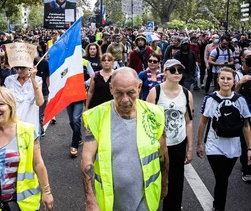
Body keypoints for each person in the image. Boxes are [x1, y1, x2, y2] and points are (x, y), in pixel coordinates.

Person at [82, 67, 168, 211]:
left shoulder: (154, 114)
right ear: (111, 89)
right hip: (110, 202)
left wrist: (165, 183)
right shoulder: (96, 116)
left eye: (131, 93)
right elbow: (86, 158)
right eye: (119, 93)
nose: (125, 99)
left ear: (139, 87)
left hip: (146, 200)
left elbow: (163, 154)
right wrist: (90, 199)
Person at [197, 67, 251, 211]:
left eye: (229, 78)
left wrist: (250, 148)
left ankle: (217, 204)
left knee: (223, 178)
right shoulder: (210, 99)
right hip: (214, 146)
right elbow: (203, 122)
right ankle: (219, 207)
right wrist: (199, 144)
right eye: (222, 78)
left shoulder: (240, 100)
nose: (225, 81)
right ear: (218, 80)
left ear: (234, 81)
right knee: (222, 178)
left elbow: (246, 124)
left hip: (234, 148)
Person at [147, 59, 193, 211]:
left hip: (178, 143)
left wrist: (190, 148)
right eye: (173, 70)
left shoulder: (187, 94)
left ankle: (172, 207)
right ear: (165, 72)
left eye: (180, 70)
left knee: (176, 179)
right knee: (153, 177)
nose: (177, 73)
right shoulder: (156, 92)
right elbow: (147, 120)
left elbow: (188, 122)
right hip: (158, 144)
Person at [4, 65, 44, 137]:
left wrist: (33, 80)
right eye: (16, 68)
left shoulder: (38, 80)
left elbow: (40, 102)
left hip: (31, 127)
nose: (19, 71)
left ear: (29, 67)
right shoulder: (9, 80)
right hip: (12, 126)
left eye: (22, 68)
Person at [234, 49, 251, 182]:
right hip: (243, 113)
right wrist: (240, 83)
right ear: (242, 58)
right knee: (245, 141)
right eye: (248, 57)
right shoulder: (237, 73)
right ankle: (246, 168)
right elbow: (231, 93)